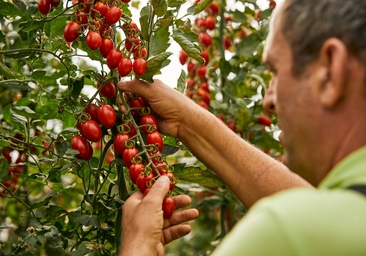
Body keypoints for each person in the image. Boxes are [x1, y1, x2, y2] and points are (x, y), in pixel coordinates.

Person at [118, 0, 366, 254]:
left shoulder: (282, 232)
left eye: (276, 71)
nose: (268, 102)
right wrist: (186, 121)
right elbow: (317, 211)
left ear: (330, 71)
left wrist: (137, 245)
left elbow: (303, 221)